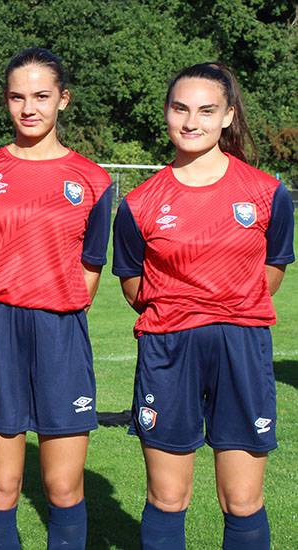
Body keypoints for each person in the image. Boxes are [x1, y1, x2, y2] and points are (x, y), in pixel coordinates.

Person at [112, 63, 294, 550]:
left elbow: (271, 272)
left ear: (228, 116)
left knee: (243, 500)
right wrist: (182, 311)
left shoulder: (267, 193)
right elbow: (134, 286)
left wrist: (226, 303)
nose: (192, 121)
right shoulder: (140, 204)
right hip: (168, 351)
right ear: (167, 114)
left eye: (207, 110)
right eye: (180, 108)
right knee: (168, 497)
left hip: (242, 347)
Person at [0, 48, 113, 549]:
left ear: (63, 100)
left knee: (63, 486)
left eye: (42, 96)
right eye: (18, 97)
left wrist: (53, 304)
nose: (29, 108)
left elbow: (91, 269)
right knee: (1, 485)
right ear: (6, 101)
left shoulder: (93, 180)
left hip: (60, 334)